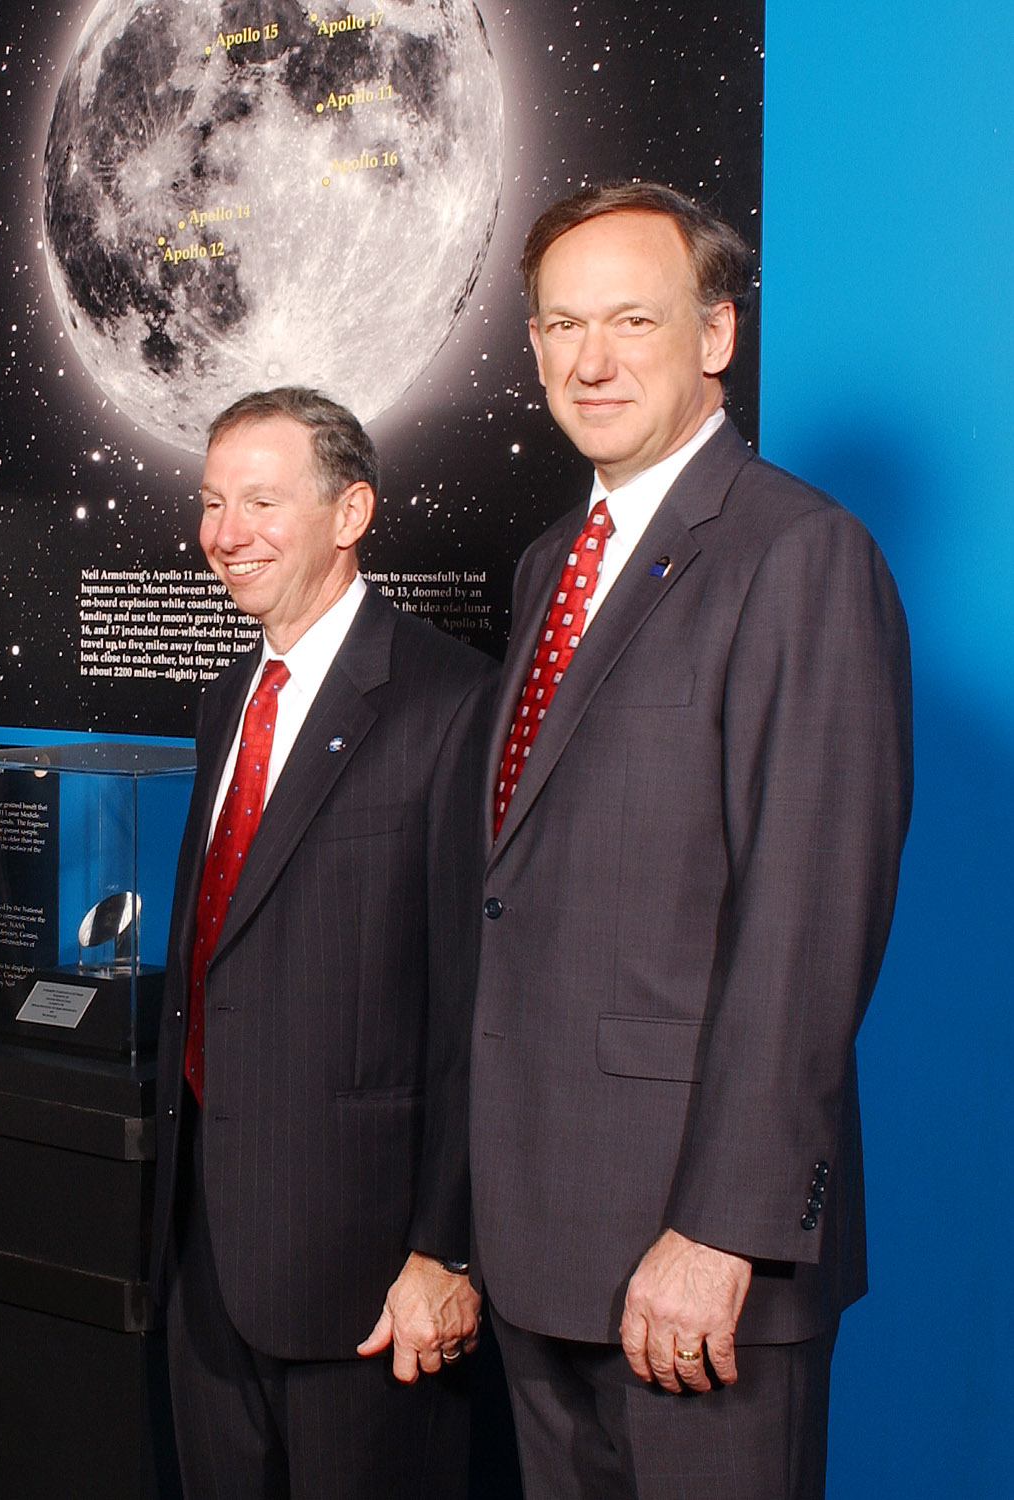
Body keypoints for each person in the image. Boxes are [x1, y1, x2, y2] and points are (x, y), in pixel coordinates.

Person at [470, 183, 912, 1499]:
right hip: (542, 1236)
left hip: (694, 1252)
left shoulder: (800, 554)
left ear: (715, 334)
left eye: (631, 319)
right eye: (560, 325)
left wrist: (722, 1230)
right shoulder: (554, 559)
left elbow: (807, 929)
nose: (590, 360)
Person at [151, 388, 497, 1499]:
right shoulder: (226, 701)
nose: (224, 534)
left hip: (369, 1277)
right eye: (211, 503)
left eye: (260, 500)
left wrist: (445, 1252)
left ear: (351, 512)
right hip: (204, 1250)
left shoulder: (450, 701)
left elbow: (475, 1007)